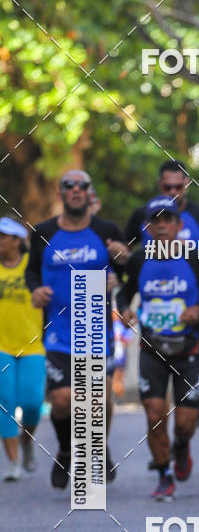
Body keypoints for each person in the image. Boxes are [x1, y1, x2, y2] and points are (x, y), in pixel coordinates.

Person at [26, 170, 128, 488]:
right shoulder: (42, 232)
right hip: (57, 331)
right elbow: (31, 272)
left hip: (96, 331)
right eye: (68, 185)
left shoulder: (106, 230)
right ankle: (67, 451)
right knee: (61, 401)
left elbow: (128, 270)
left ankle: (98, 448)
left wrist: (119, 275)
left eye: (82, 185)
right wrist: (36, 291)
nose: (75, 190)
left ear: (89, 193)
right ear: (61, 194)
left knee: (100, 401)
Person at [117, 197, 199, 500]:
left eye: (167, 220)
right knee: (154, 414)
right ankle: (164, 475)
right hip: (152, 350)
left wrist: (198, 311)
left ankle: (182, 447)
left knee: (185, 422)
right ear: (147, 227)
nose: (161, 226)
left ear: (178, 225)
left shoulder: (195, 258)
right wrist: (125, 310)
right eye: (155, 220)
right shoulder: (137, 260)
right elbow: (124, 293)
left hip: (188, 351)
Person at [0, 217, 46, 480]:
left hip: (33, 345)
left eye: (4, 236)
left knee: (32, 403)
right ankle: (13, 462)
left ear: (18, 240)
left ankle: (27, 441)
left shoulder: (33, 267)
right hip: (1, 345)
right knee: (5, 402)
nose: (0, 241)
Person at [125, 160, 199, 257]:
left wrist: (189, 250)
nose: (173, 192)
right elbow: (124, 251)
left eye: (178, 187)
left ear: (187, 183)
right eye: (167, 187)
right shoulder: (143, 214)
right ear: (159, 183)